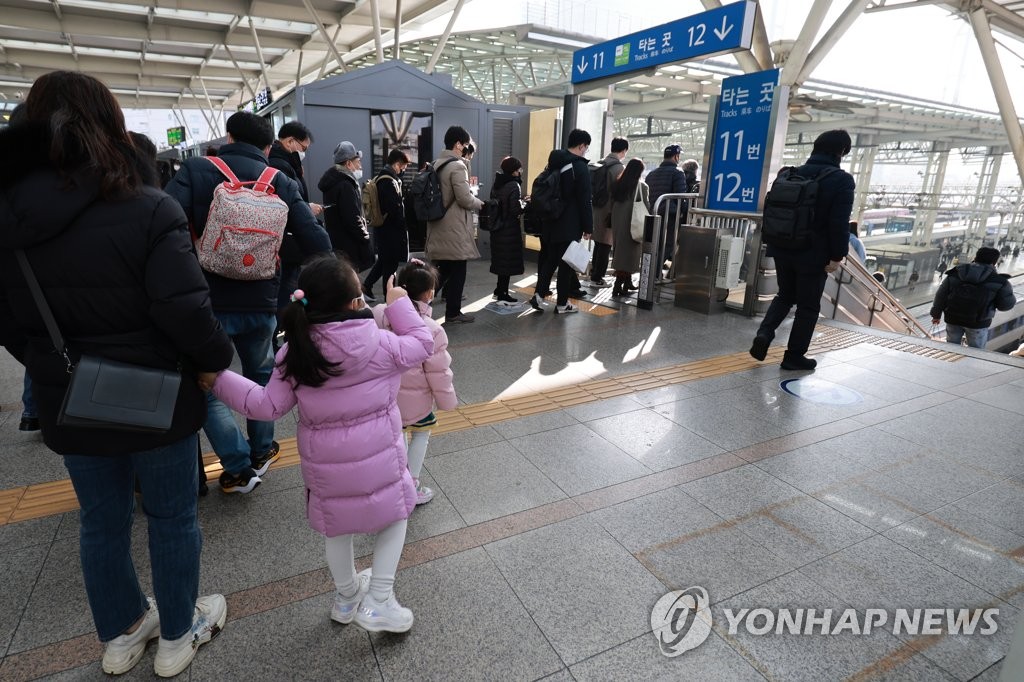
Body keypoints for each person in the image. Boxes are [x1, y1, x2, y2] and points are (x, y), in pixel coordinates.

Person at [0, 71, 233, 677]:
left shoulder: (8, 219)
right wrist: (214, 360)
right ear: (108, 124)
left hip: (72, 401)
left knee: (99, 521)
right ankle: (179, 636)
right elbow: (185, 310)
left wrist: (58, 369)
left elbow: (10, 322)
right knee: (172, 516)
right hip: (159, 400)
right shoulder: (148, 206)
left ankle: (123, 635)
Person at [205, 255, 433, 633]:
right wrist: (398, 302)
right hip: (381, 461)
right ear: (356, 303)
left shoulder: (296, 353)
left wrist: (218, 379)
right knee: (395, 518)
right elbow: (422, 341)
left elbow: (265, 406)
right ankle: (378, 600)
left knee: (337, 529)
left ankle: (346, 598)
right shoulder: (383, 344)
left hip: (327, 471)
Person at [165, 111, 332, 494]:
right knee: (260, 376)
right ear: (269, 146)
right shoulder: (281, 181)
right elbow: (315, 239)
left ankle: (238, 466)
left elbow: (164, 226)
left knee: (208, 382)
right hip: (262, 298)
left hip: (207, 303)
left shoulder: (196, 170)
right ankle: (260, 450)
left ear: (228, 137)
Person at [749, 129, 856, 371]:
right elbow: (839, 223)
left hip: (782, 245)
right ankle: (794, 356)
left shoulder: (789, 173)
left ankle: (764, 333)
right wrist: (837, 255)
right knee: (808, 306)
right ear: (841, 152)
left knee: (785, 295)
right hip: (813, 254)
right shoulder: (841, 180)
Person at [371, 261, 457, 505]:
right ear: (429, 294)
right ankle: (411, 484)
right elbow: (439, 371)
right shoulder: (431, 329)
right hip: (416, 403)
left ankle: (387, 483)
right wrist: (447, 401)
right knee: (421, 435)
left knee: (391, 441)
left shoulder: (378, 315)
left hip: (383, 398)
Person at [268, 121, 324, 335]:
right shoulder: (280, 164)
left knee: (288, 290)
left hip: (288, 241)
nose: (304, 152)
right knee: (285, 292)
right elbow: (286, 204)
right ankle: (283, 332)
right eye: (304, 147)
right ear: (290, 141)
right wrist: (305, 208)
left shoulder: (286, 162)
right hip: (287, 241)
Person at [531, 129, 594, 315]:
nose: (585, 151)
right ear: (581, 145)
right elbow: (585, 200)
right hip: (570, 222)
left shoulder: (555, 162)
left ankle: (538, 295)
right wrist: (588, 226)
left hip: (551, 219)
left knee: (550, 259)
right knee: (566, 264)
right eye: (586, 148)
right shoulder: (580, 167)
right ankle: (562, 304)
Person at [426, 126, 484, 324]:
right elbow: (465, 199)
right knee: (458, 269)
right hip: (454, 228)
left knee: (443, 270)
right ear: (458, 144)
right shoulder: (458, 166)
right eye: (465, 144)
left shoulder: (436, 164)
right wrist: (480, 204)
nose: (466, 148)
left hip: (438, 225)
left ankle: (418, 304)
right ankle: (453, 312)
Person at [929, 246, 1015, 348]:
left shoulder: (955, 274)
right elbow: (1005, 306)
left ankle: (949, 363)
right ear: (994, 262)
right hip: (978, 323)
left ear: (976, 257)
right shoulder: (999, 281)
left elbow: (940, 296)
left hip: (953, 319)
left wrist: (936, 315)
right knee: (975, 352)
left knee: (951, 348)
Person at [318, 141, 375, 279]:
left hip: (339, 242)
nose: (360, 166)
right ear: (348, 164)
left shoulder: (333, 182)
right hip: (350, 245)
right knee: (349, 280)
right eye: (358, 162)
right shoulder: (345, 185)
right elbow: (352, 217)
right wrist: (365, 237)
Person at [363, 149, 411, 300]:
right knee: (390, 266)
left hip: (384, 229)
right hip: (390, 231)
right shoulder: (388, 181)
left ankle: (367, 286)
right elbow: (393, 208)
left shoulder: (382, 177)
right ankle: (389, 297)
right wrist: (402, 223)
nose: (403, 170)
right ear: (397, 164)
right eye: (403, 167)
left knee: (384, 261)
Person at [588, 138, 628, 287]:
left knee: (598, 243)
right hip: (609, 211)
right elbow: (620, 193)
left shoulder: (600, 163)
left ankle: (594, 274)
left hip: (595, 209)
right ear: (623, 151)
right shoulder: (618, 168)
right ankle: (597, 279)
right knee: (605, 245)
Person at [489, 156, 527, 304]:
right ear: (514, 171)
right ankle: (503, 293)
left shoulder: (497, 183)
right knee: (507, 262)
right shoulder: (513, 185)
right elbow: (514, 210)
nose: (520, 172)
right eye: (519, 169)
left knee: (502, 261)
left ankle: (499, 289)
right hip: (509, 229)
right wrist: (524, 204)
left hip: (497, 228)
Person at [609, 158, 649, 297]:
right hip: (632, 221)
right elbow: (646, 206)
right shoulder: (641, 186)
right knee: (629, 254)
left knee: (621, 251)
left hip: (618, 219)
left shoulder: (618, 184)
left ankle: (627, 282)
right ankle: (618, 286)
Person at [645, 144, 688, 274]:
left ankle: (648, 273)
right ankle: (654, 274)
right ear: (676, 156)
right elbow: (681, 196)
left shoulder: (651, 174)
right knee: (667, 245)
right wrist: (684, 212)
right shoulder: (678, 173)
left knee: (653, 245)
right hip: (670, 215)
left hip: (652, 214)